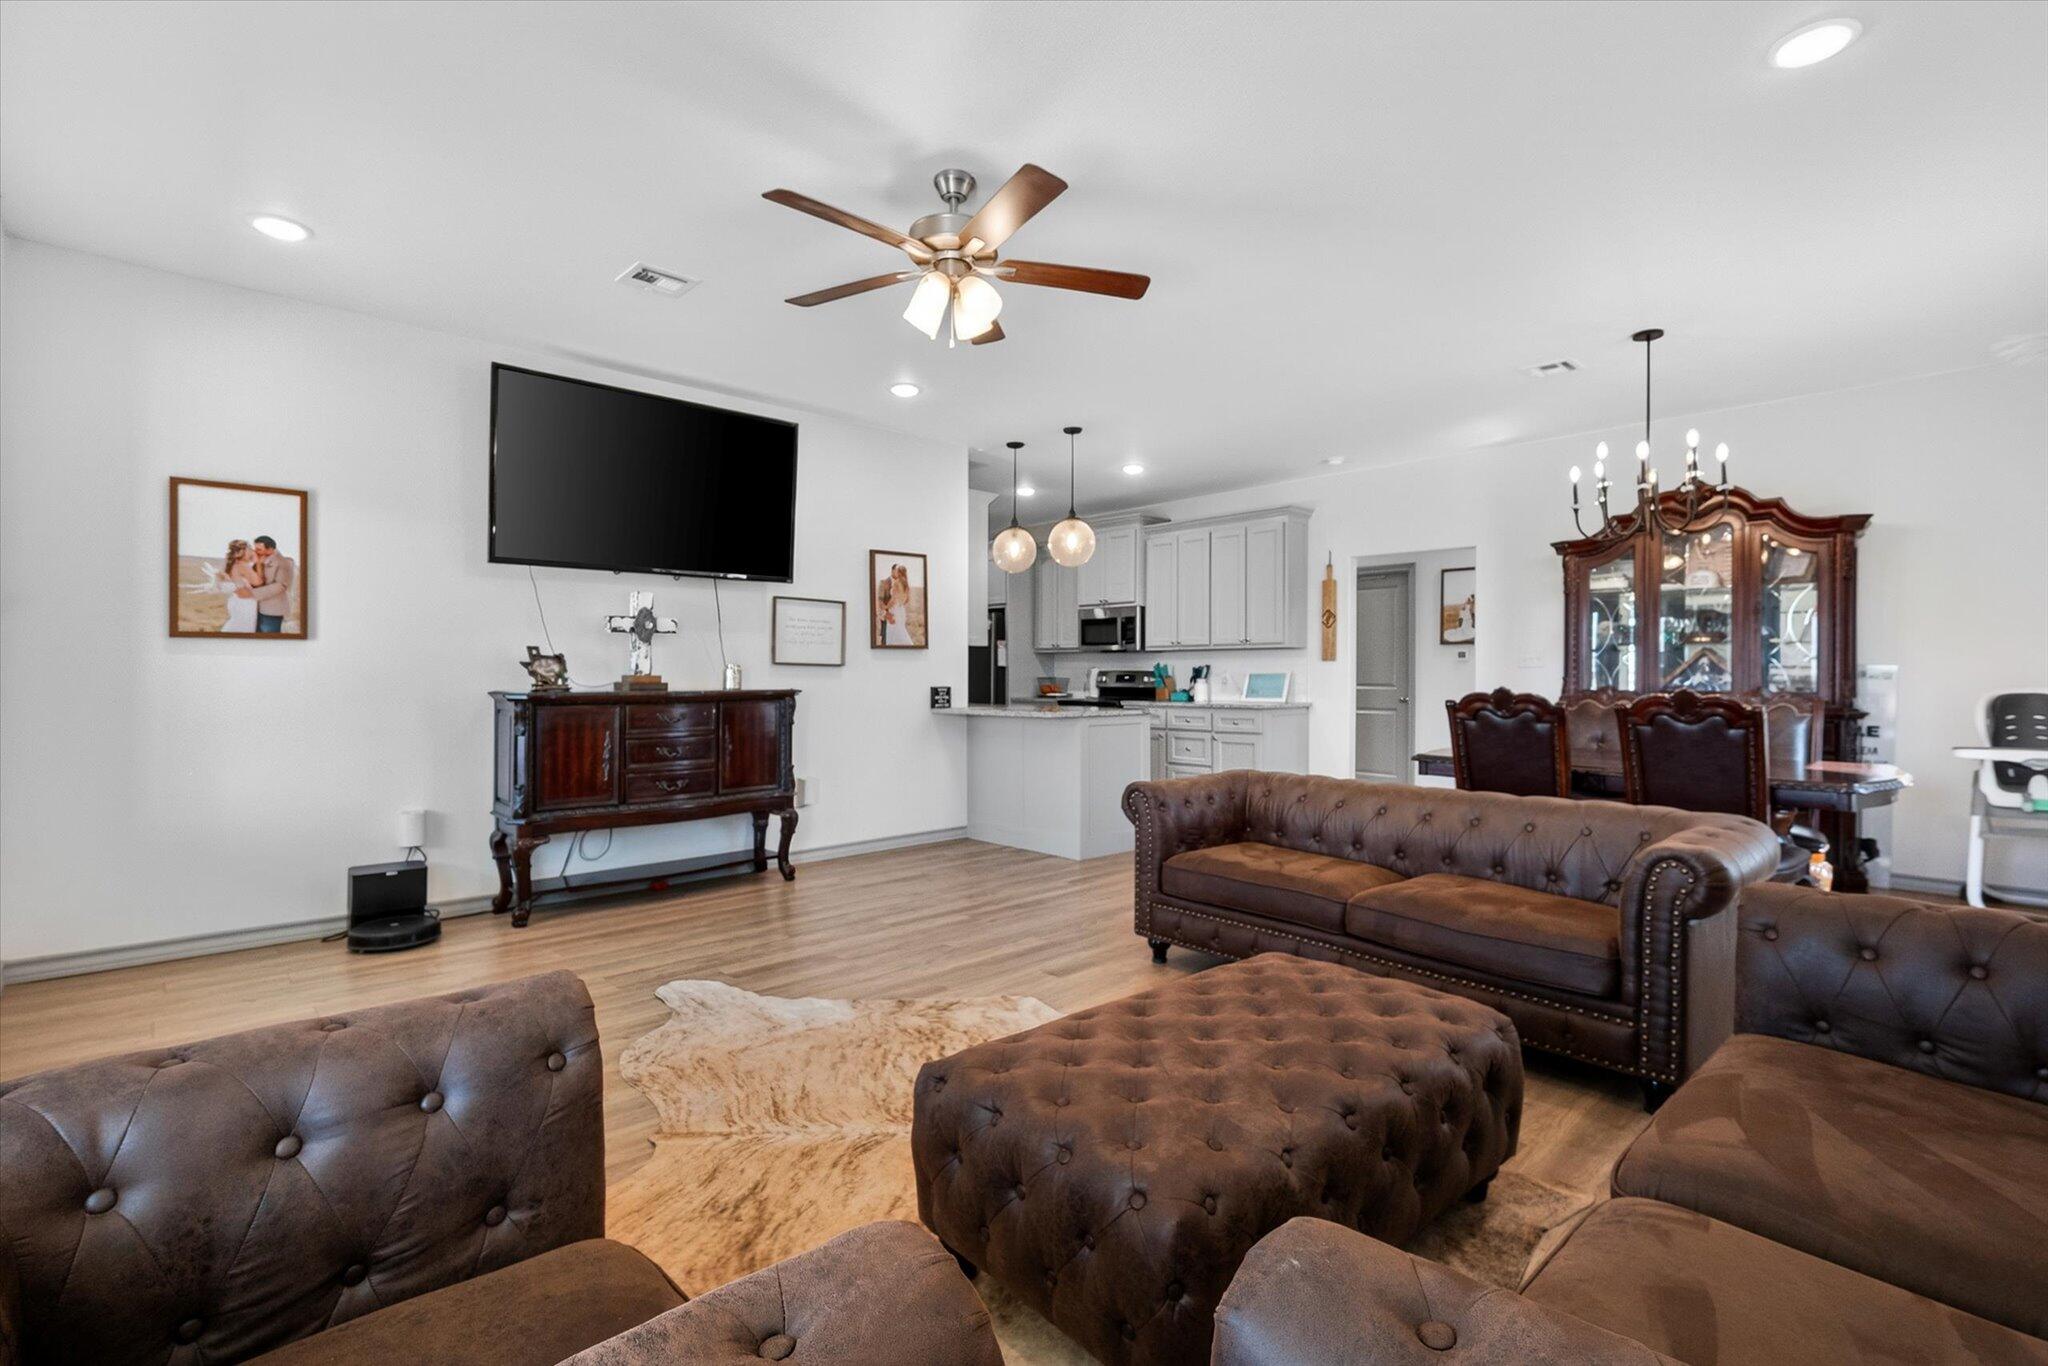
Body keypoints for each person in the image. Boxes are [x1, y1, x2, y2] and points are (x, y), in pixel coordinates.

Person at [239, 534, 297, 633]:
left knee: (269, 639)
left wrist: (252, 594)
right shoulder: (258, 561)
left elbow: (281, 586)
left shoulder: (284, 563)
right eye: (255, 548)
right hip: (255, 608)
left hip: (272, 610)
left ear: (270, 549)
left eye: (259, 549)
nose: (256, 552)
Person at [214, 539, 260, 633]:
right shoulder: (243, 566)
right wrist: (257, 562)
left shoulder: (233, 565)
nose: (252, 552)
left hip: (236, 600)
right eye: (249, 549)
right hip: (245, 603)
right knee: (243, 628)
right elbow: (258, 582)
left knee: (236, 625)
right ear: (243, 552)